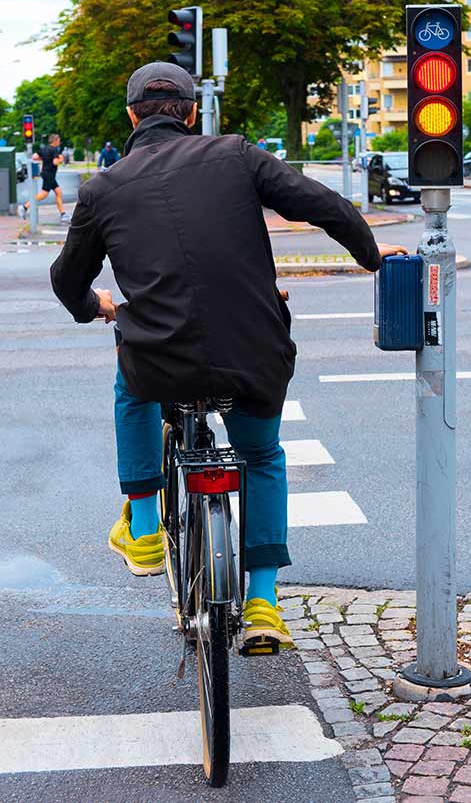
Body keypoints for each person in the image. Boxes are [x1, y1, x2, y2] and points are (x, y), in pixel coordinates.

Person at [49, 62, 407, 648]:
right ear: (192, 113)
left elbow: (67, 281)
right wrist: (369, 254)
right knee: (261, 456)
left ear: (132, 115)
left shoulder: (103, 189)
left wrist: (99, 307)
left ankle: (141, 524)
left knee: (130, 383)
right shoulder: (237, 154)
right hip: (255, 354)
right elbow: (321, 204)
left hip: (159, 359)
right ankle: (263, 604)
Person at [19, 132, 71, 223]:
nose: (60, 142)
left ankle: (63, 214)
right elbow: (55, 162)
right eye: (59, 140)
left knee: (58, 192)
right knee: (43, 194)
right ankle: (24, 207)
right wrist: (61, 159)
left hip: (46, 173)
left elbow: (35, 157)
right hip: (50, 174)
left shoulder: (44, 149)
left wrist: (45, 159)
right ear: (55, 141)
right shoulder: (54, 150)